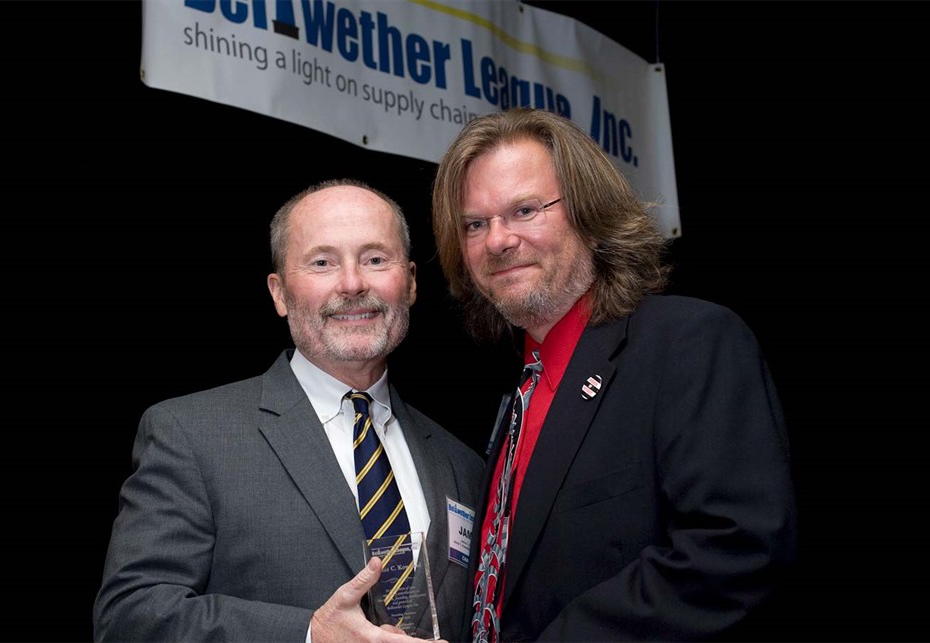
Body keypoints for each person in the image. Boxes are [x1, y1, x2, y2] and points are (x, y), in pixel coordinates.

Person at [431, 109, 797, 641]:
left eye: (525, 210)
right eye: (475, 224)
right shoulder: (519, 394)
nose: (497, 241)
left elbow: (737, 548)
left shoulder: (689, 343)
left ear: (588, 213)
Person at [94, 179, 483, 642]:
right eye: (322, 262)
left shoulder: (463, 465)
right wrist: (309, 634)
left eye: (376, 259)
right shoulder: (191, 434)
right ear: (279, 293)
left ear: (412, 283)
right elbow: (130, 618)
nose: (354, 283)